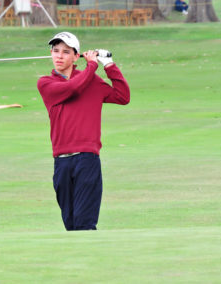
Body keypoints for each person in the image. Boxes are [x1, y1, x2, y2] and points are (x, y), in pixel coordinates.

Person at [37, 32, 130, 231]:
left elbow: (123, 96)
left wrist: (110, 65)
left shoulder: (92, 81)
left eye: (65, 52)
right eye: (55, 51)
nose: (59, 56)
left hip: (87, 159)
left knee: (85, 223)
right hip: (61, 162)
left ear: (75, 56)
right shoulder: (46, 83)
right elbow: (73, 89)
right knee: (70, 224)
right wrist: (92, 66)